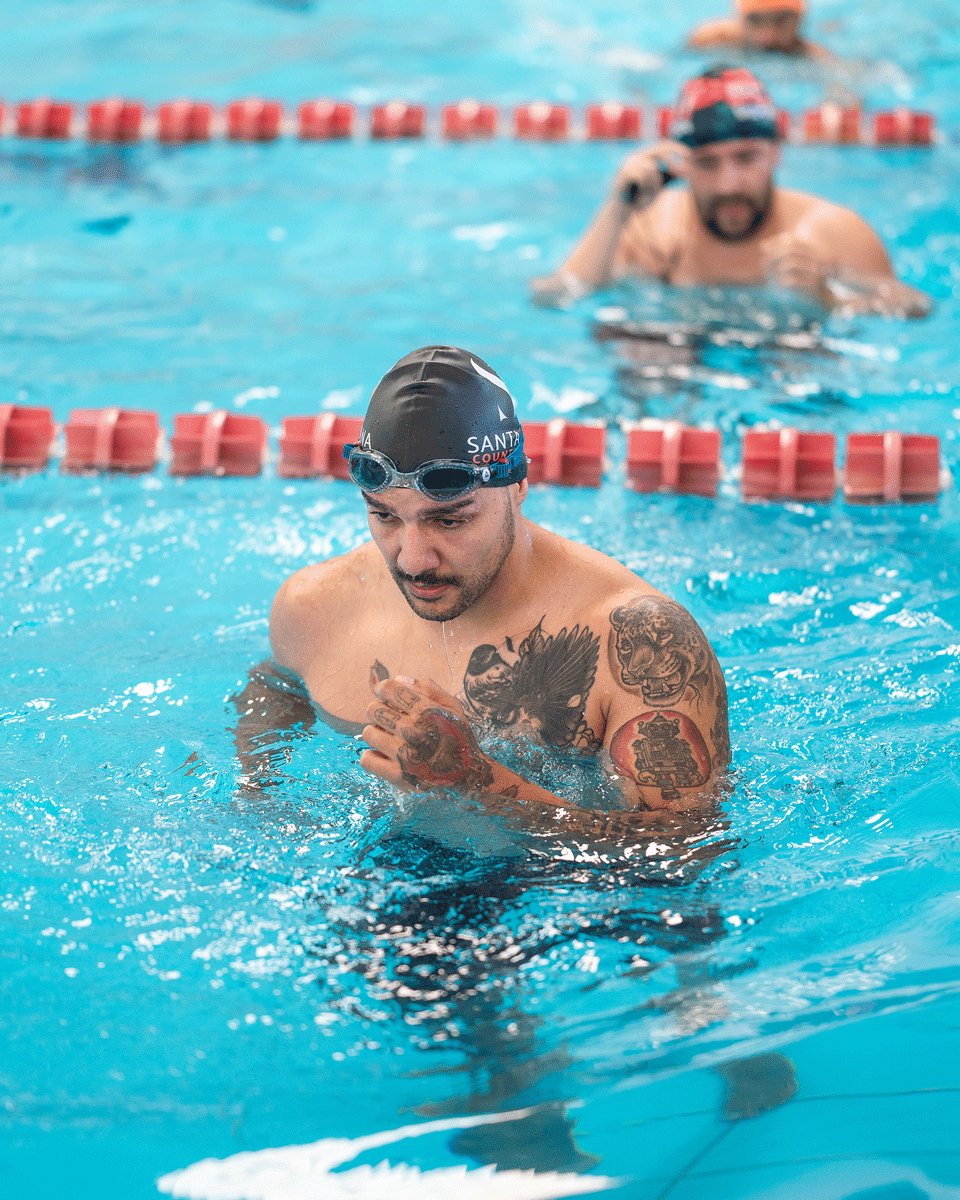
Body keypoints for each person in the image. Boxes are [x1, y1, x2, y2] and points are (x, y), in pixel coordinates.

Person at [244, 345, 730, 848]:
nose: (412, 560)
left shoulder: (638, 638)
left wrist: (478, 783)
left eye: (449, 519)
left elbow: (683, 854)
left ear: (519, 484)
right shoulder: (314, 606)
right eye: (385, 516)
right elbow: (275, 686)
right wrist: (261, 795)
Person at [532, 67, 931, 319]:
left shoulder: (832, 232)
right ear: (681, 163)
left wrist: (829, 300)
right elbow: (555, 298)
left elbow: (913, 308)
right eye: (707, 163)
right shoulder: (652, 228)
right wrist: (616, 210)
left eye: (746, 157)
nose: (729, 183)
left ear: (776, 151)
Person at [687, 0, 832, 61]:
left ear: (800, 19)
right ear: (739, 18)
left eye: (781, 20)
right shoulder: (708, 39)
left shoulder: (813, 54)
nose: (768, 35)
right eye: (754, 20)